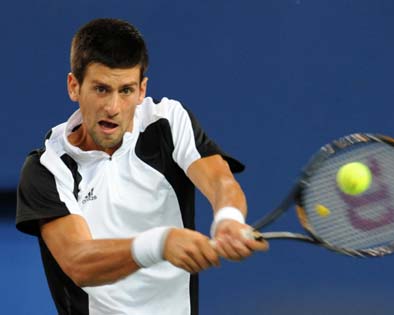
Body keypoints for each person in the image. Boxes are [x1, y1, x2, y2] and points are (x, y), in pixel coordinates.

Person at [16, 18, 268, 315]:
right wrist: (159, 243)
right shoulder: (47, 167)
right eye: (100, 89)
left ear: (141, 90)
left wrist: (228, 217)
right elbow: (78, 261)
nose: (113, 107)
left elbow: (219, 180)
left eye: (125, 90)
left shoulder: (167, 122)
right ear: (74, 86)